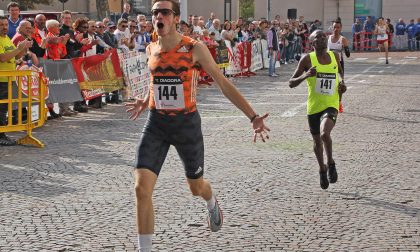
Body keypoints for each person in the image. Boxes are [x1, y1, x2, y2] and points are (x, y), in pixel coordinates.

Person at [124, 1, 270, 251]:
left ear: (175, 18)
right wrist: (146, 100)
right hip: (156, 123)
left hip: (186, 125)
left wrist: (252, 116)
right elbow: (158, 83)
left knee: (196, 186)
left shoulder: (194, 48)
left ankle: (212, 202)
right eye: (155, 12)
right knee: (141, 188)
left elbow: (223, 84)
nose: (158, 16)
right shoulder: (151, 48)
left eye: (164, 12)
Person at [289, 30, 346, 190]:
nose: (322, 38)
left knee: (324, 133)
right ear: (312, 43)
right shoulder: (307, 59)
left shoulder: (334, 56)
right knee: (316, 142)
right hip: (314, 107)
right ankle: (322, 169)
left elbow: (340, 74)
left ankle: (331, 163)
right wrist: (305, 75)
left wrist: (342, 86)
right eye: (318, 37)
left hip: (332, 103)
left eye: (323, 36)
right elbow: (291, 83)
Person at [0, 16, 32, 146]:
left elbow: (15, 55)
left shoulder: (6, 38)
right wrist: (18, 49)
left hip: (8, 79)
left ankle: (2, 133)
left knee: (4, 108)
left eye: (6, 24)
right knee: (1, 109)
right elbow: (2, 58)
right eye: (1, 25)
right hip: (1, 79)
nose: (5, 27)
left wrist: (23, 48)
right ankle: (1, 135)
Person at [327, 19, 350, 113]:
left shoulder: (342, 39)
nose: (336, 29)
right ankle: (329, 103)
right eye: (334, 27)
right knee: (329, 83)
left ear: (341, 28)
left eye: (338, 27)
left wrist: (346, 47)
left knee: (340, 85)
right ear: (332, 28)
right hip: (328, 64)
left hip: (339, 64)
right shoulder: (328, 38)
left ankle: (339, 103)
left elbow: (348, 55)